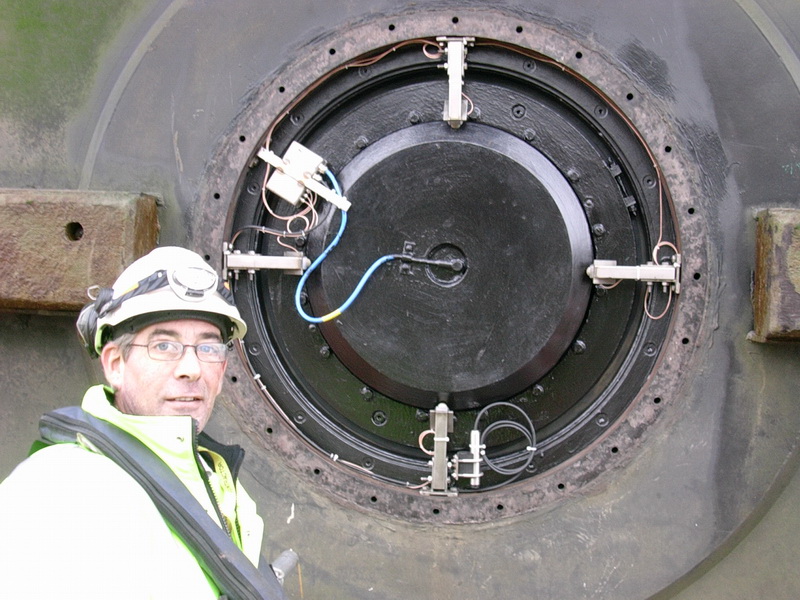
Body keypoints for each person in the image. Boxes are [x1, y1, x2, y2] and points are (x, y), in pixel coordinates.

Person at [0, 247, 284, 599]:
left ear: (223, 369)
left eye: (208, 349)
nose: (191, 368)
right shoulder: (60, 488)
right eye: (164, 345)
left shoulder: (218, 480)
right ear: (115, 364)